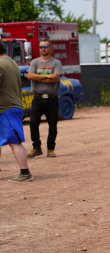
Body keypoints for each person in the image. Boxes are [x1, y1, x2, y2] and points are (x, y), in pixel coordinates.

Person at [0, 42, 33, 182]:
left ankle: (25, 173)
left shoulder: (1, 64)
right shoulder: (11, 61)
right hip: (10, 106)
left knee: (14, 141)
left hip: (7, 108)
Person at [27, 38, 62, 158]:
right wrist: (48, 75)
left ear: (50, 48)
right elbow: (30, 76)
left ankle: (50, 149)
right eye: (41, 47)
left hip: (52, 99)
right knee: (33, 123)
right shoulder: (34, 62)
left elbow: (55, 79)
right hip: (37, 98)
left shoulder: (56, 63)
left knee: (52, 125)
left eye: (45, 46)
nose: (43, 49)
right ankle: (36, 148)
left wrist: (39, 77)